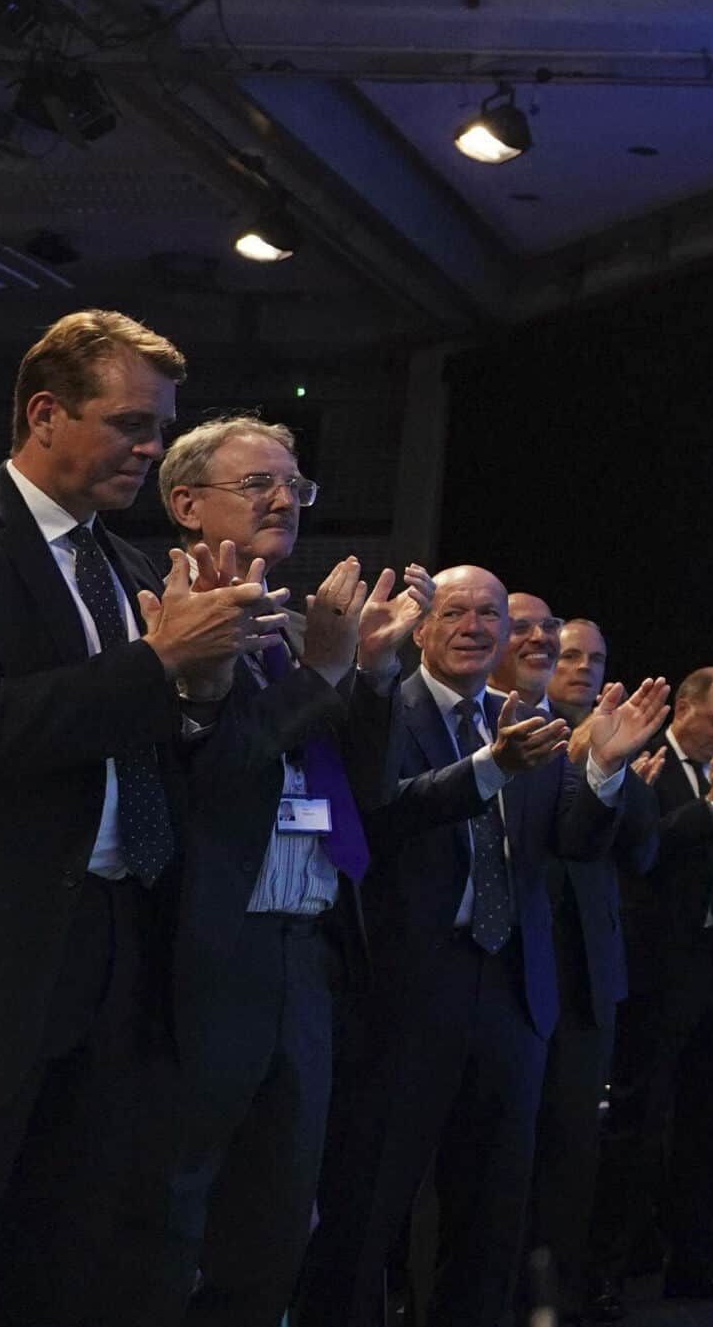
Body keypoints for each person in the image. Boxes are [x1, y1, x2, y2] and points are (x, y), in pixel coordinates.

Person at [0, 310, 285, 1327]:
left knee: (60, 1269)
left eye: (161, 428)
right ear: (45, 413)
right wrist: (157, 666)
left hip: (111, 965)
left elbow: (163, 756)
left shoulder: (137, 573)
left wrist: (205, 689)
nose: (150, 449)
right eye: (130, 423)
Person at [293, 568, 663, 1327]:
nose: (473, 624)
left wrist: (602, 768)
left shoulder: (528, 719)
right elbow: (377, 816)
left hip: (510, 992)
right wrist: (489, 766)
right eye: (454, 611)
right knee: (367, 1214)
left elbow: (574, 840)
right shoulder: (380, 709)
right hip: (402, 992)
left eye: (489, 613)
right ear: (420, 628)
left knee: (492, 1220)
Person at [156, 417, 425, 1327]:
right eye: (258, 483)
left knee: (273, 1229)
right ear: (186, 503)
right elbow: (221, 770)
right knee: (168, 1223)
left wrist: (375, 676)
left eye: (296, 486)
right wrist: (327, 668)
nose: (284, 501)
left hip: (302, 953)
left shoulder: (289, 622)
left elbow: (365, 793)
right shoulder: (163, 613)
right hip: (201, 953)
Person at [594, 669, 713, 1306]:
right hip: (661, 971)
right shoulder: (652, 764)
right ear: (683, 708)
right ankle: (607, 1274)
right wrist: (711, 804)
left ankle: (698, 1260)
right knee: (641, 1123)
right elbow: (642, 852)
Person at [521, 616, 664, 1327]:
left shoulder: (612, 741)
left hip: (587, 976)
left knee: (576, 1154)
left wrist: (609, 772)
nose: (578, 665)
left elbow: (641, 853)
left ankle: (567, 1296)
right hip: (512, 966)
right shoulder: (516, 728)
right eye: (567, 652)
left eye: (594, 657)